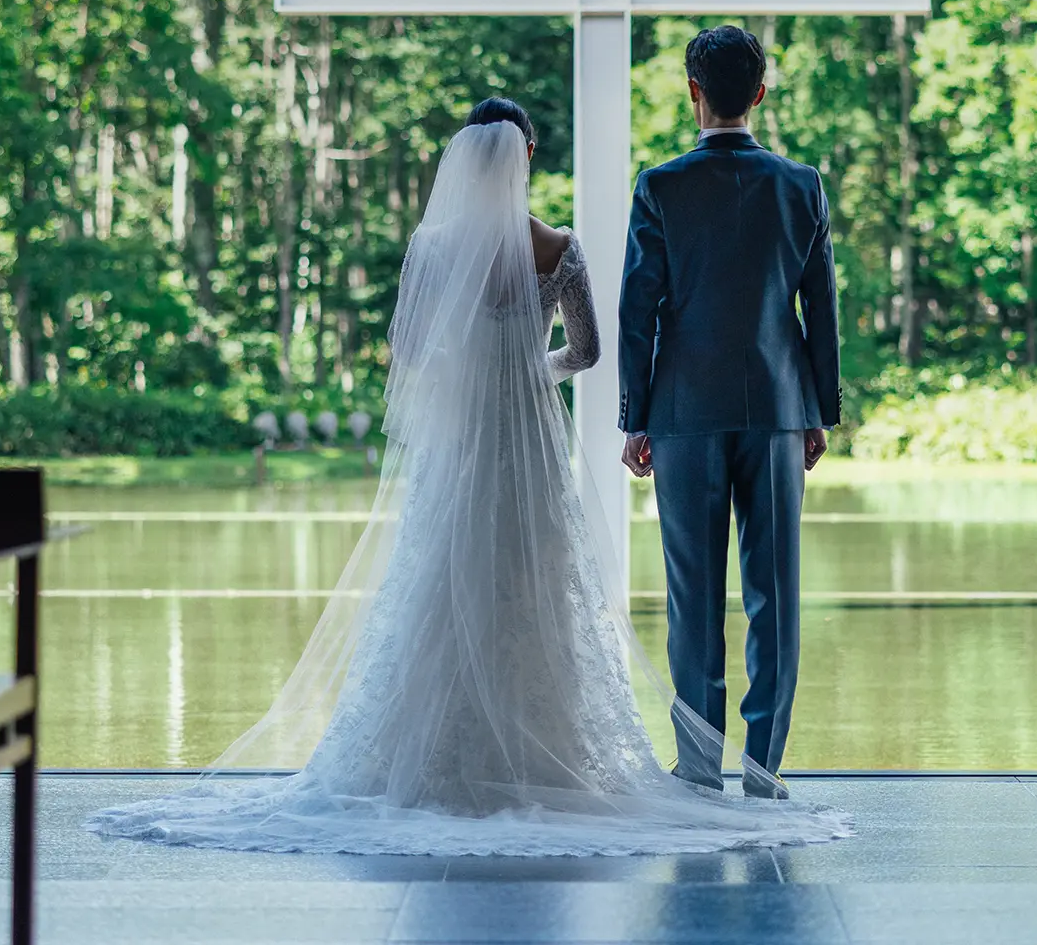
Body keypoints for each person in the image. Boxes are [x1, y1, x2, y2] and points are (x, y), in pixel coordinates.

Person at [88, 96, 848, 856]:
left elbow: (411, 348)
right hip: (595, 429)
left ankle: (634, 767)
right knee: (562, 584)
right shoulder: (559, 247)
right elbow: (589, 350)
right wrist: (531, 374)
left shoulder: (435, 246)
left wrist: (494, 380)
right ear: (526, 157)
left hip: (477, 436)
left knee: (449, 578)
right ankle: (752, 772)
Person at [619, 26, 840, 794]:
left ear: (694, 92)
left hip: (682, 412)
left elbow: (637, 311)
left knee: (693, 597)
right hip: (778, 408)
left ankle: (696, 767)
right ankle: (762, 766)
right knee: (775, 593)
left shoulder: (660, 186)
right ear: (759, 94)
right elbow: (820, 308)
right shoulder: (801, 184)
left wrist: (635, 416)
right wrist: (820, 409)